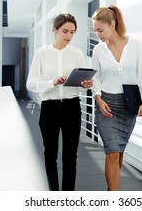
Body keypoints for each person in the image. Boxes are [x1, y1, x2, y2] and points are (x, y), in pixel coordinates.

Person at [26, 13, 93, 191]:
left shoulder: (77, 54)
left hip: (72, 107)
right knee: (50, 155)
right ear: (55, 30)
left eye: (72, 32)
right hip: (50, 109)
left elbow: (80, 85)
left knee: (71, 156)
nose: (69, 36)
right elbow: (31, 84)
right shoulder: (42, 54)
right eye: (65, 31)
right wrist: (52, 82)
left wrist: (85, 84)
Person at [91, 5, 142, 191]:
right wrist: (98, 99)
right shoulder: (99, 50)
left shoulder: (134, 45)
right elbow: (95, 77)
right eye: (95, 31)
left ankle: (112, 190)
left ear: (112, 24)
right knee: (112, 152)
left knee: (120, 151)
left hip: (128, 105)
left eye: (100, 30)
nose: (98, 34)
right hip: (106, 105)